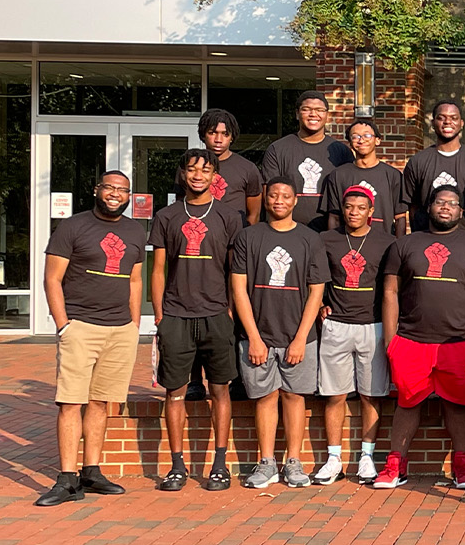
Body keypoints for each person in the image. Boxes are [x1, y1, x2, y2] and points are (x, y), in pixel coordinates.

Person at [36, 170, 146, 506]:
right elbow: (52, 279)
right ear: (96, 189)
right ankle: (67, 478)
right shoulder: (72, 227)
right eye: (109, 188)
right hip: (80, 326)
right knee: (71, 402)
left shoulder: (135, 230)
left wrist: (133, 325)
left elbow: (135, 280)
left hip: (119, 329)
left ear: (129, 196)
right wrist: (63, 324)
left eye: (122, 190)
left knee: (101, 402)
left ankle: (91, 471)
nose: (115, 194)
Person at [377, 186, 465, 488]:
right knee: (407, 402)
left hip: (460, 341)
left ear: (461, 211)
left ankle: (462, 465)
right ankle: (395, 465)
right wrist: (390, 340)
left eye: (452, 204)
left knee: (458, 404)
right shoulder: (406, 244)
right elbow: (390, 291)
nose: (446, 208)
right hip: (411, 339)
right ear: (429, 207)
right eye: (440, 202)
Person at [149, 149, 245, 492]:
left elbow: (236, 269)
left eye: (205, 170)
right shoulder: (166, 216)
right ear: (183, 174)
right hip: (176, 314)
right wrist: (160, 314)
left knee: (220, 391)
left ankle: (219, 464)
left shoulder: (229, 216)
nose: (198, 175)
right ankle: (177, 467)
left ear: (215, 176)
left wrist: (231, 310)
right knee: (174, 393)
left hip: (216, 314)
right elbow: (158, 270)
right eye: (192, 169)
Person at [232, 179, 329, 489]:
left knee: (293, 395)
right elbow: (239, 289)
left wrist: (301, 337)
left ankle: (294, 461)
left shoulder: (310, 239)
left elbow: (316, 292)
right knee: (264, 397)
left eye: (285, 196)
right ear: (265, 197)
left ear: (295, 200)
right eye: (273, 195)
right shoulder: (248, 237)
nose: (279, 200)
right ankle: (266, 462)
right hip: (259, 333)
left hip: (297, 335)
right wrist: (254, 336)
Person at [315, 185, 396, 485]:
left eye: (360, 208)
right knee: (334, 394)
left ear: (371, 212)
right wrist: (322, 303)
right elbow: (316, 277)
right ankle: (333, 458)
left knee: (371, 394)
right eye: (349, 207)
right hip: (336, 324)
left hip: (372, 325)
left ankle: (366, 457)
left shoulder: (387, 243)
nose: (353, 212)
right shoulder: (326, 240)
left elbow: (393, 287)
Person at [259, 91, 352, 231]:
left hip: (331, 232)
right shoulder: (278, 149)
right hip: (287, 232)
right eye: (306, 109)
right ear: (297, 114)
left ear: (327, 115)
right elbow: (270, 195)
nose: (313, 114)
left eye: (319, 110)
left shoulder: (341, 152)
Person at [403, 99, 465, 232]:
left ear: (461, 123)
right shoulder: (418, 161)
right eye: (441, 118)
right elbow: (413, 205)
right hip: (427, 237)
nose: (448, 122)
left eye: (454, 118)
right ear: (433, 123)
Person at [322, 119, 408, 236]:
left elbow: (400, 218)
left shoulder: (393, 175)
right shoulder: (338, 175)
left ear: (377, 140)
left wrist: (399, 248)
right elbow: (334, 217)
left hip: (383, 242)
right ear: (350, 142)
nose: (361, 140)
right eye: (355, 136)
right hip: (348, 243)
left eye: (367, 135)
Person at [197, 108, 262, 225]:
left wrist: (245, 240)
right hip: (199, 236)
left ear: (232, 137)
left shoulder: (248, 169)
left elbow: (254, 214)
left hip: (234, 238)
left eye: (225, 134)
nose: (218, 140)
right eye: (212, 133)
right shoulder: (191, 168)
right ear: (203, 134)